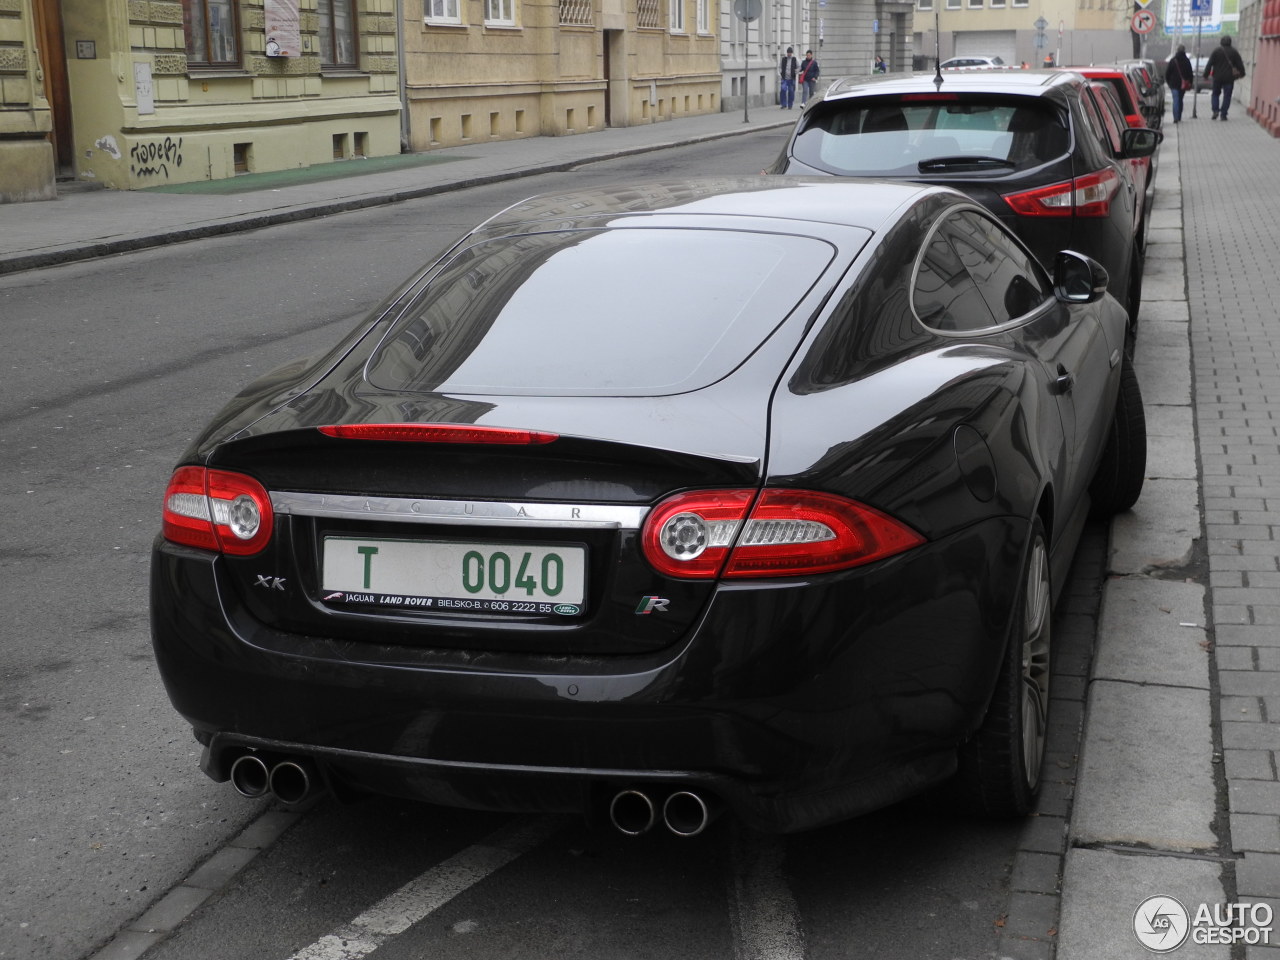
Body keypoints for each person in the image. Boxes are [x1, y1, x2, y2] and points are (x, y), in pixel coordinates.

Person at [1204, 35, 1246, 120]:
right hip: (1229, 78)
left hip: (1217, 77)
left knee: (1215, 94)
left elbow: (1209, 64)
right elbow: (1239, 64)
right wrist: (1242, 74)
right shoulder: (1234, 52)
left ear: (1221, 42)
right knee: (1227, 96)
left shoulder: (1216, 51)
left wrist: (1206, 75)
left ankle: (1215, 110)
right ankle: (1223, 114)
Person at [1165, 44, 1194, 124]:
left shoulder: (1173, 60)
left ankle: (1176, 117)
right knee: (1180, 99)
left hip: (1173, 84)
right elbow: (1190, 73)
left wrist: (1168, 82)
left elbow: (1167, 73)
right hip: (1183, 85)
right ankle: (1179, 115)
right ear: (1184, 51)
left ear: (1177, 50)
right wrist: (1190, 82)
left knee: (1176, 100)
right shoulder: (1187, 61)